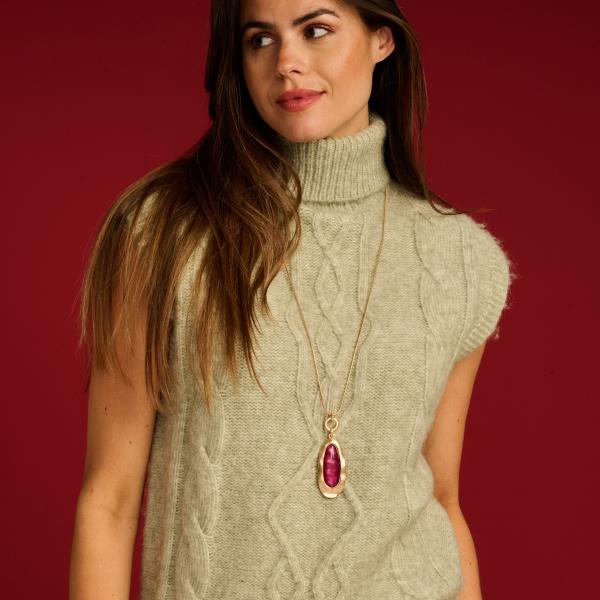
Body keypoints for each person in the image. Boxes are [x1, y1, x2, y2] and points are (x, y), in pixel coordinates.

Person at [69, 1, 514, 599]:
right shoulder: (163, 234)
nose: (286, 62)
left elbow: (441, 496)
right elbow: (109, 499)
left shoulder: (461, 259)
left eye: (317, 30)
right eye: (261, 39)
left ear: (382, 41)